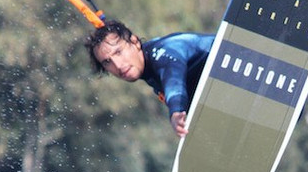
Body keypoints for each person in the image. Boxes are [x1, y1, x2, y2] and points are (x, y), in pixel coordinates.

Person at [85, 20, 214, 138]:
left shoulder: (163, 53)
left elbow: (173, 77)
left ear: (135, 42)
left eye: (118, 52)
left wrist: (176, 110)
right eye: (107, 62)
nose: (118, 65)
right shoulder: (149, 68)